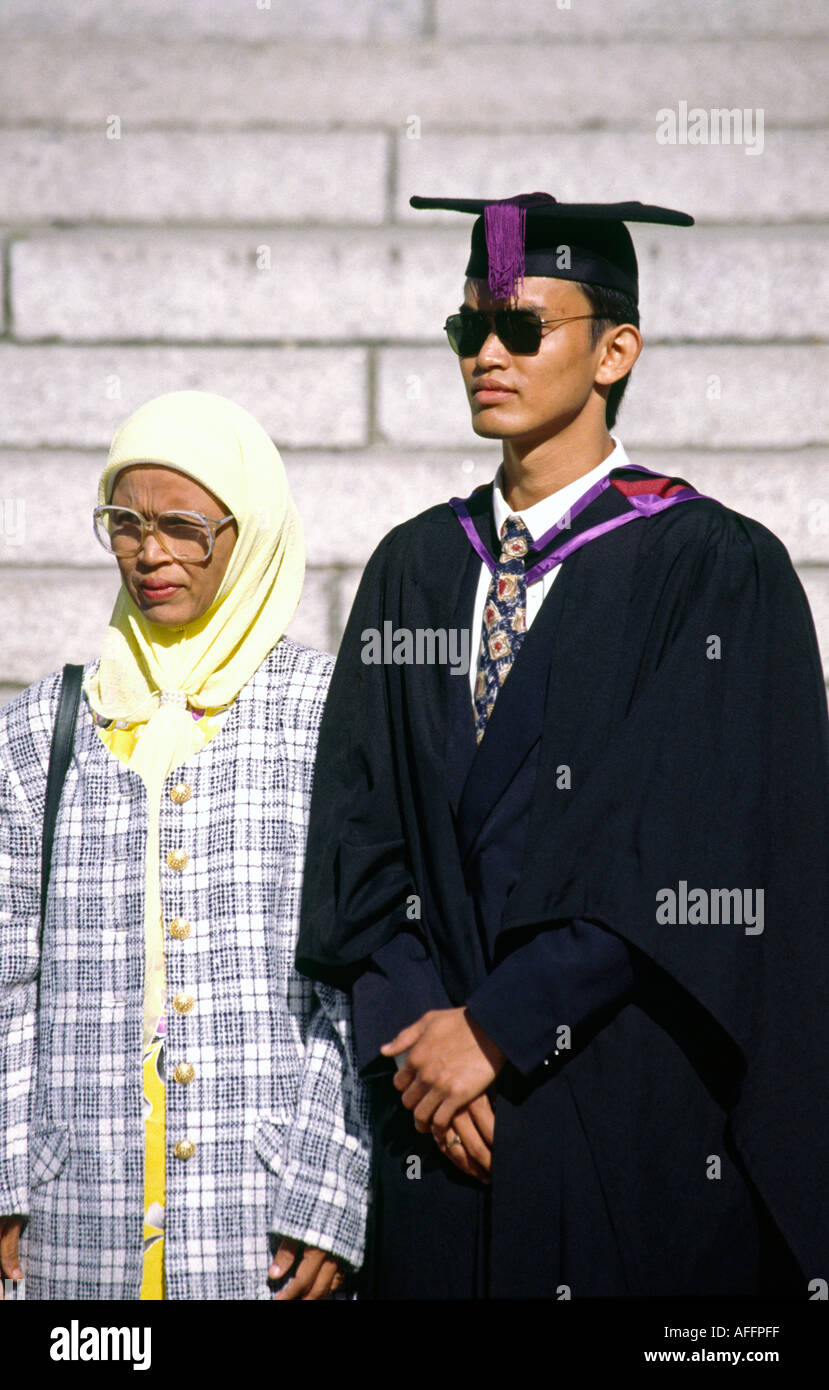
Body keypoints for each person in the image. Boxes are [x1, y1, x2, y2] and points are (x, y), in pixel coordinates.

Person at [296, 192, 829, 1298]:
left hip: (620, 1103)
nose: (485, 354)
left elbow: (689, 844)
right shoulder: (415, 568)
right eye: (466, 330)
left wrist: (494, 1028)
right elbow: (360, 837)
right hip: (435, 1127)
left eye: (521, 328)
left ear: (614, 350)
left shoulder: (711, 566)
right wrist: (418, 1046)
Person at [0, 389, 371, 1300]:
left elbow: (360, 973)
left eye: (184, 527)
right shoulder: (42, 728)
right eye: (123, 522)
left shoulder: (328, 719)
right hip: (75, 1220)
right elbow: (8, 970)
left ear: (251, 535)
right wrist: (10, 1174)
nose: (150, 553)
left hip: (261, 1218)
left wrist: (328, 1192)